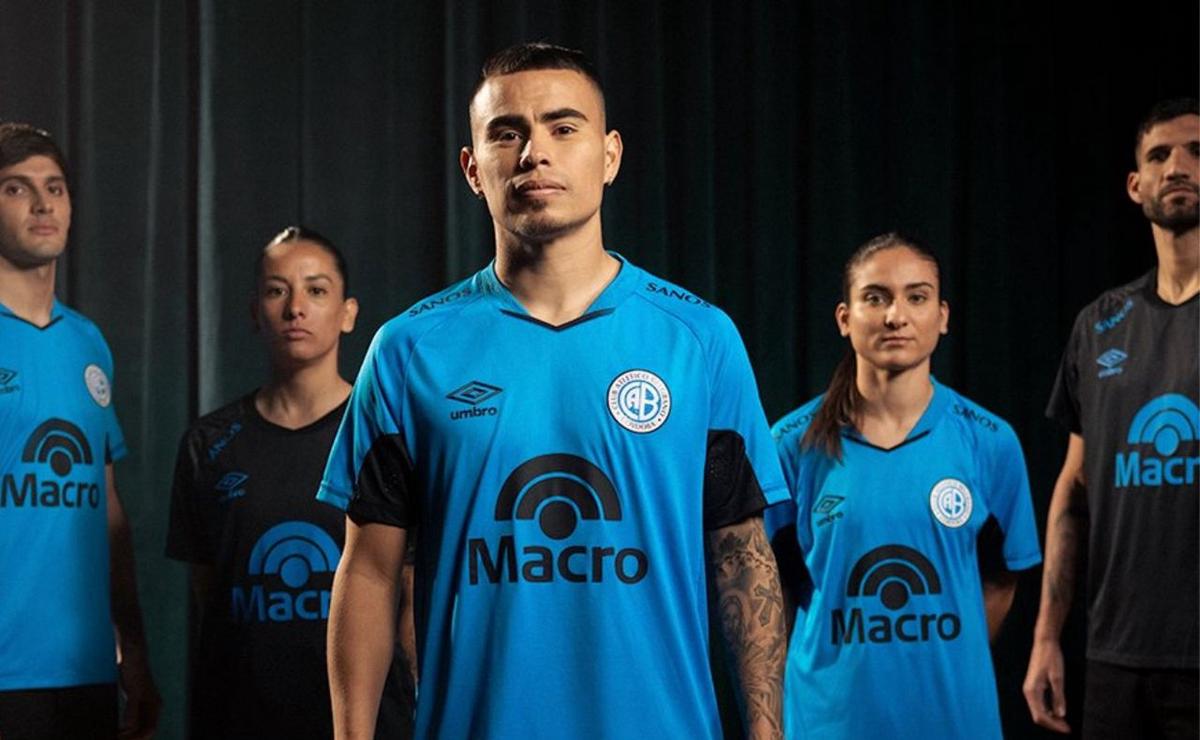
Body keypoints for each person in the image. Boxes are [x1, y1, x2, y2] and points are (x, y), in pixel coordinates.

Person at [320, 42, 788, 739]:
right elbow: (369, 572)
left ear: (610, 155)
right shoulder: (408, 349)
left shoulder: (700, 338)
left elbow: (740, 554)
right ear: (473, 169)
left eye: (563, 127)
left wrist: (768, 732)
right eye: (507, 133)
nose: (535, 152)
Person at [766, 234, 1041, 738]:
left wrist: (939, 654)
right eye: (875, 298)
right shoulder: (789, 444)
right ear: (845, 318)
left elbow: (1002, 579)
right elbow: (769, 590)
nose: (896, 316)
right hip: (829, 723)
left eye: (917, 297)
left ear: (942, 316)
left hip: (954, 721)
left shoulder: (990, 441)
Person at [166, 226, 414, 739]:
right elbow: (210, 596)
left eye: (316, 290)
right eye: (277, 290)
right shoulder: (208, 444)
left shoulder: (386, 436)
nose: (295, 308)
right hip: (240, 721)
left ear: (348, 312)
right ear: (255, 310)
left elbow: (408, 596)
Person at [1024, 98, 1199, 738]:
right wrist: (1047, 637)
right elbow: (1074, 490)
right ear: (1135, 185)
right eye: (1159, 155)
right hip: (1116, 662)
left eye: (1196, 152)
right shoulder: (1099, 325)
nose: (1176, 167)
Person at [0, 123, 160, 739]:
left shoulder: (88, 342)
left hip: (85, 673)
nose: (43, 204)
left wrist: (134, 651)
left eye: (55, 188)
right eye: (17, 188)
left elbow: (107, 509)